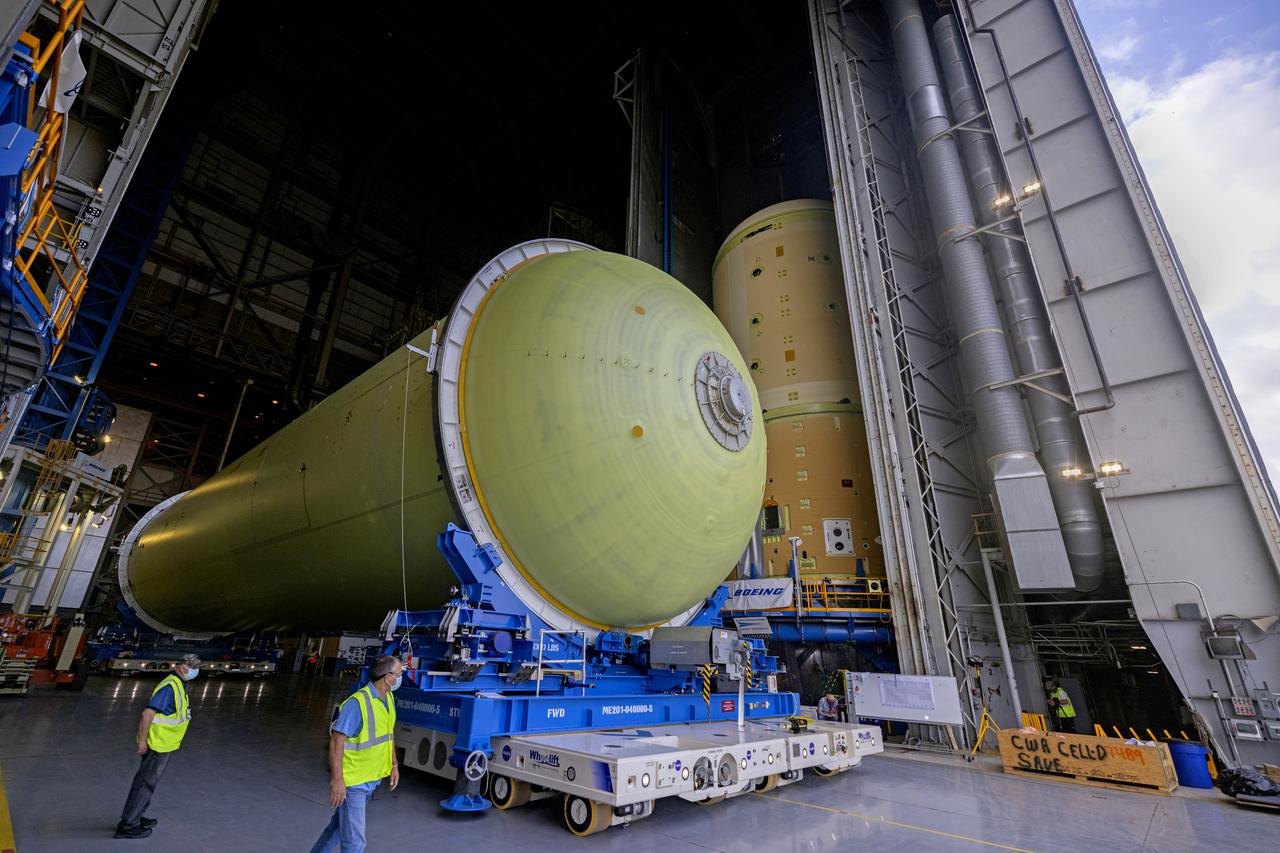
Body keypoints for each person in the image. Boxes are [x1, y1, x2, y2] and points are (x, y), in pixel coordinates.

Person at [311, 655, 403, 853]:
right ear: (388, 678)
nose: (400, 678)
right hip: (354, 783)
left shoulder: (388, 698)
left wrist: (394, 764)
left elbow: (389, 734)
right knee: (355, 843)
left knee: (337, 829)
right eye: (399, 674)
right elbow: (336, 740)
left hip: (372, 779)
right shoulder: (358, 703)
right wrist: (338, 781)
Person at [115, 653, 201, 839]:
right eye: (193, 668)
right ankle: (128, 825)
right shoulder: (170, 687)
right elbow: (147, 714)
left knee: (149, 783)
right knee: (145, 783)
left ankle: (137, 816)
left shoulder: (179, 683)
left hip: (164, 743)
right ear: (183, 667)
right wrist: (142, 741)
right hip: (157, 744)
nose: (195, 671)